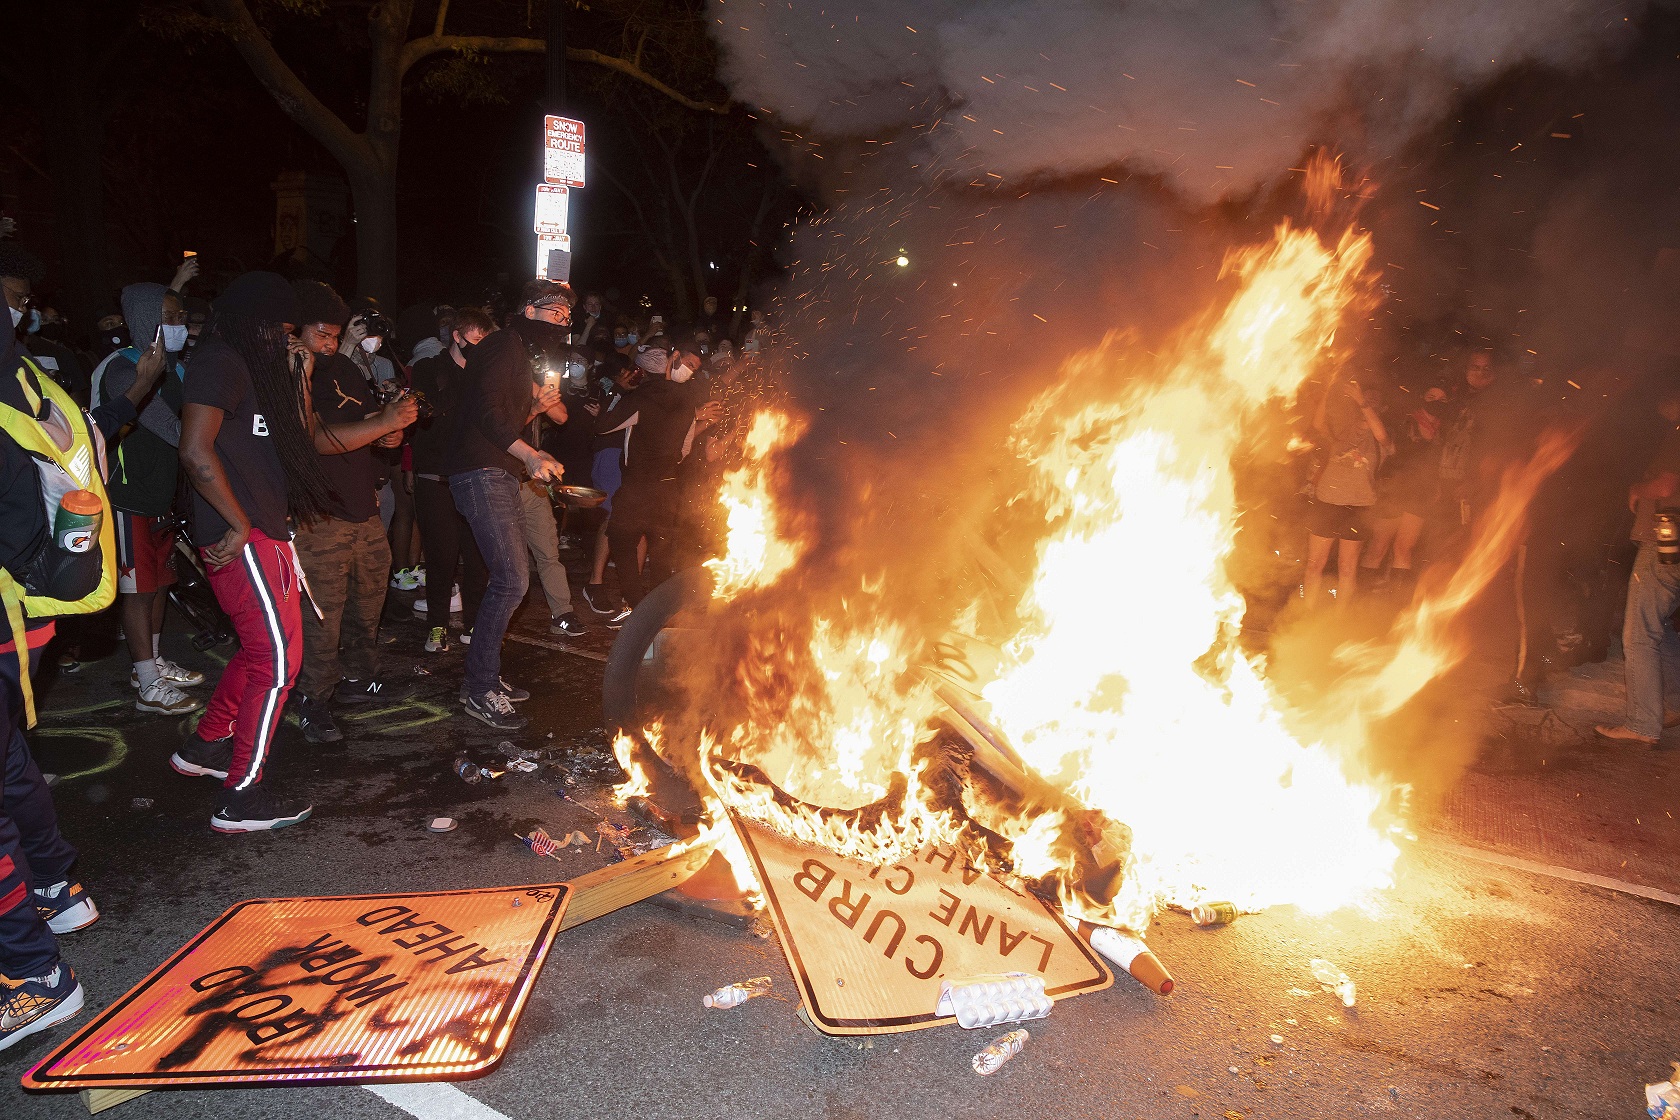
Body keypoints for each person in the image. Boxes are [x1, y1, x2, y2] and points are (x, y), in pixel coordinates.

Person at [0, 287, 164, 1051]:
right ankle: (57, 889)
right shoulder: (32, 382)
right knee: (10, 773)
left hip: (13, 610)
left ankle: (32, 978)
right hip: (23, 619)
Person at [168, 271, 347, 833]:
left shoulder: (264, 368)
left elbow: (294, 442)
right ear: (256, 324)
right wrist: (240, 524)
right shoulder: (220, 359)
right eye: (283, 330)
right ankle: (241, 796)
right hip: (239, 535)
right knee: (278, 663)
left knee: (260, 650)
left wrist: (302, 374)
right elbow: (196, 453)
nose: (289, 340)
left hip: (266, 530)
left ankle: (203, 748)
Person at [287, 281, 418, 744]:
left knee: (369, 600)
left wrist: (390, 434)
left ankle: (360, 678)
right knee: (323, 613)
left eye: (333, 334)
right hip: (319, 513)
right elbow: (316, 440)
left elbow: (362, 426)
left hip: (361, 504)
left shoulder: (343, 367)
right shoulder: (292, 373)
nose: (328, 343)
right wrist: (383, 424)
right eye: (320, 333)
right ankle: (313, 698)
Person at [444, 279, 570, 731]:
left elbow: (501, 420)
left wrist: (534, 420)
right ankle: (480, 689)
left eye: (567, 316)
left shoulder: (516, 352)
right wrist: (530, 453)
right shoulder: (503, 346)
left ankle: (485, 679)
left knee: (511, 578)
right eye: (556, 312)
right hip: (481, 473)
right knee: (513, 579)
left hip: (497, 472)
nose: (563, 321)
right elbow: (484, 414)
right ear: (530, 309)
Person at [97, 282, 204, 715]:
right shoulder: (123, 369)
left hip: (162, 495)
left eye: (181, 316)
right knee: (137, 591)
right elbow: (170, 428)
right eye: (172, 317)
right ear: (146, 321)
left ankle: (153, 662)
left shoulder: (173, 367)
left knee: (159, 584)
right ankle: (146, 683)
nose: (180, 325)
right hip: (129, 494)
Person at [598, 341, 721, 610]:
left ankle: (636, 603)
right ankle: (659, 612)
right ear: (671, 362)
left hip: (638, 487)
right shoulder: (687, 401)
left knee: (621, 538)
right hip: (667, 488)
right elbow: (684, 450)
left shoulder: (641, 399)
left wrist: (617, 390)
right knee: (662, 553)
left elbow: (603, 426)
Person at [1597, 387, 1680, 747]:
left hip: (1666, 539)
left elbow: (1665, 484)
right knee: (1661, 624)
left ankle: (1643, 723)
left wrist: (1636, 487)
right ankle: (1670, 705)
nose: (1662, 400)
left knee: (1639, 632)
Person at [409, 307, 492, 651]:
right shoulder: (429, 369)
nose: (478, 349)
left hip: (473, 476)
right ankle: (437, 627)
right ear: (457, 337)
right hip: (436, 477)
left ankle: (473, 625)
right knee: (441, 558)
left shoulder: (485, 374)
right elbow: (427, 413)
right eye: (474, 342)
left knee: (477, 557)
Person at [1304, 375, 1389, 607]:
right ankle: (1305, 614)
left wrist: (1363, 401)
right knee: (1314, 564)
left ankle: (1338, 621)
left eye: (1372, 401)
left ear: (1380, 407)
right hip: (1328, 502)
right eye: (1362, 399)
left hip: (1358, 507)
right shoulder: (1343, 429)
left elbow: (1382, 436)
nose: (1364, 404)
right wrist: (1328, 387)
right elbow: (1318, 425)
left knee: (1347, 568)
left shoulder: (1381, 436)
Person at [1361, 383, 1447, 601]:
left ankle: (1393, 604)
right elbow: (1388, 445)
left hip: (1421, 492)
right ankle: (1361, 602)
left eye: (1442, 399)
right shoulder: (1405, 421)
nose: (1436, 402)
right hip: (1395, 488)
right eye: (1431, 396)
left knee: (1403, 548)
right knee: (1378, 547)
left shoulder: (1446, 429)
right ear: (1423, 397)